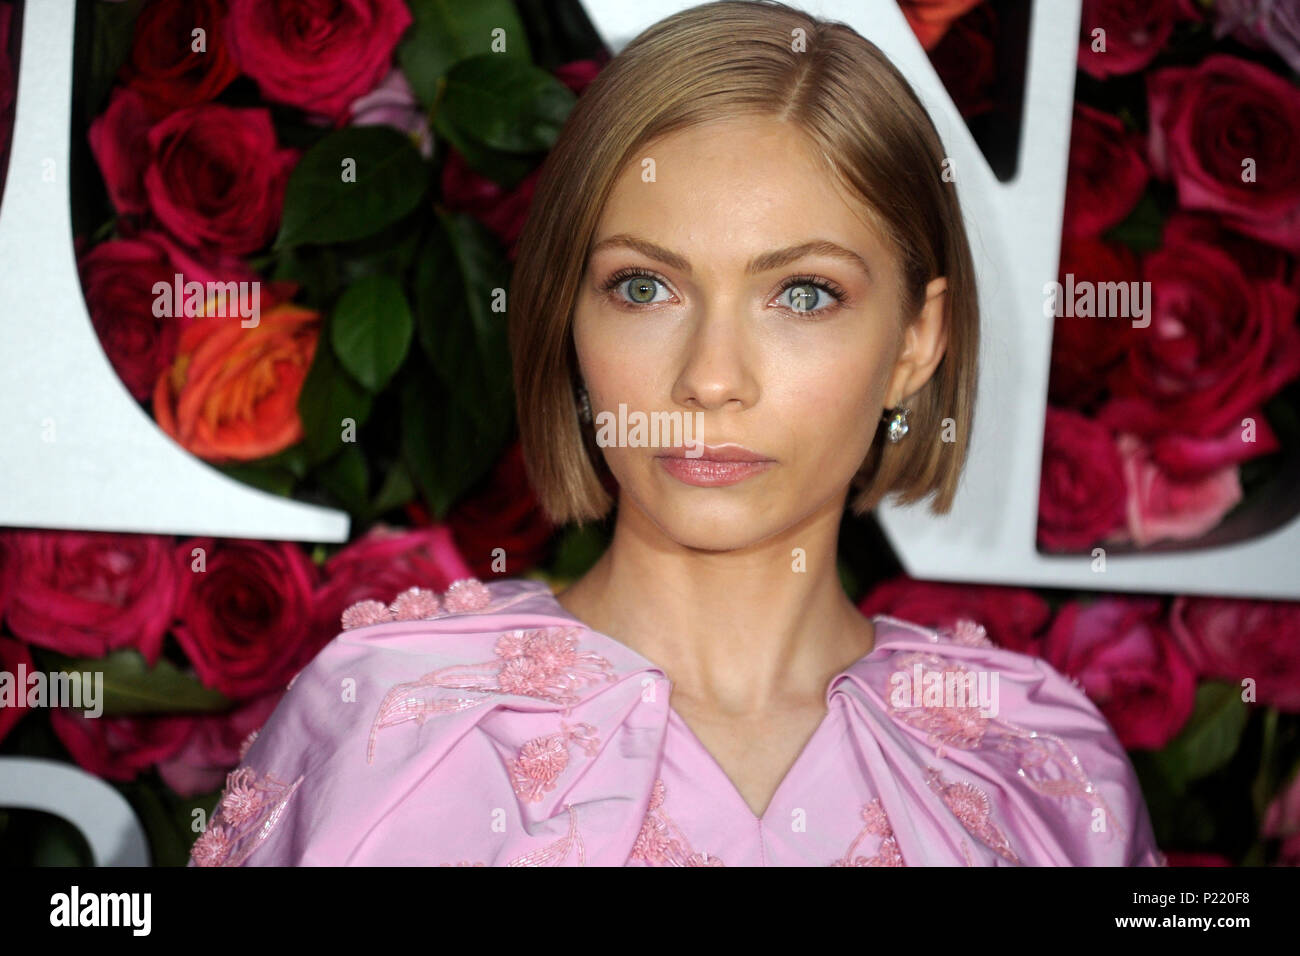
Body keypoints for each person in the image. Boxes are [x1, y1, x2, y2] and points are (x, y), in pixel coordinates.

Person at [190, 0, 1164, 867]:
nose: (710, 376)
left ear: (915, 341)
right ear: (569, 318)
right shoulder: (392, 728)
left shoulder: (1035, 764)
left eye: (804, 293)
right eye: (643, 286)